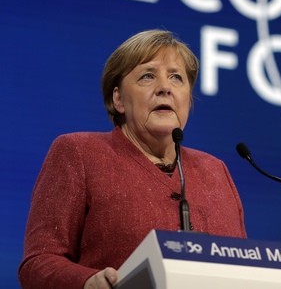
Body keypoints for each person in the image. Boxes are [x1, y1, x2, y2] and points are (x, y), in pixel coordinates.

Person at [18, 29, 247, 289]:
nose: (165, 88)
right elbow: (38, 263)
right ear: (118, 99)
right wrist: (87, 282)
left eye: (176, 77)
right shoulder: (79, 153)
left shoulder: (216, 171)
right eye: (148, 76)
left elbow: (244, 268)